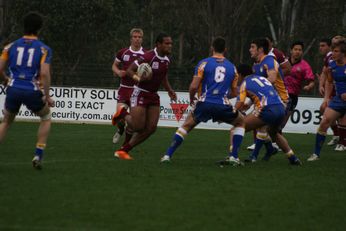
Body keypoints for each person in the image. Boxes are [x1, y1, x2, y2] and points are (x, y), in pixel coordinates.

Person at [160, 37, 245, 166]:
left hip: (205, 103)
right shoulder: (232, 67)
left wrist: (191, 98)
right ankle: (234, 157)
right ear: (225, 50)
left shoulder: (203, 63)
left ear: (212, 48)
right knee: (240, 122)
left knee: (186, 126)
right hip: (222, 104)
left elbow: (194, 86)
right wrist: (222, 96)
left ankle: (167, 155)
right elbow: (234, 92)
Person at [0, 12, 54, 169]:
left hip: (13, 88)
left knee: (7, 122)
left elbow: (0, 68)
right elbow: (44, 73)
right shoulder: (44, 49)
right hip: (31, 89)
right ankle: (38, 154)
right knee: (46, 117)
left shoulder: (10, 46)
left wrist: (5, 80)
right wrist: (47, 96)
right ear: (40, 28)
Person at [112, 33, 177, 160]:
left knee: (151, 128)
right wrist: (139, 78)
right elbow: (130, 70)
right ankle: (122, 114)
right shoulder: (148, 56)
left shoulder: (167, 60)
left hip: (153, 95)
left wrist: (169, 90)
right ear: (158, 45)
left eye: (171, 44)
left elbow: (163, 76)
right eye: (167, 43)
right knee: (138, 127)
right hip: (140, 92)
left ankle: (123, 150)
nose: (170, 46)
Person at [236, 64, 301, 165]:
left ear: (240, 75)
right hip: (280, 108)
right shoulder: (262, 78)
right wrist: (248, 104)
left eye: (236, 75)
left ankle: (238, 156)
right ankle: (293, 157)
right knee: (273, 133)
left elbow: (239, 103)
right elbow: (264, 92)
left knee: (239, 126)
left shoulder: (244, 83)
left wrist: (230, 113)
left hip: (268, 109)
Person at [248, 38, 289, 160]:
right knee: (272, 133)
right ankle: (290, 156)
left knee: (256, 125)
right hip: (267, 101)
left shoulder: (270, 61)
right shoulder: (256, 65)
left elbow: (271, 78)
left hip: (280, 101)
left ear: (260, 49)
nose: (250, 50)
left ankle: (253, 156)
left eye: (252, 47)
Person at [308, 40, 346, 161]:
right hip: (338, 99)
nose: (333, 53)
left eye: (336, 51)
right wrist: (327, 98)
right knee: (324, 121)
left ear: (343, 53)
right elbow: (329, 82)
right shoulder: (332, 65)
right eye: (333, 51)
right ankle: (316, 154)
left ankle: (342, 143)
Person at [111, 28, 146, 144]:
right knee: (120, 117)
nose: (137, 39)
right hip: (124, 89)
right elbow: (114, 66)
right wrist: (118, 72)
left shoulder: (146, 54)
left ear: (142, 39)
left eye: (139, 37)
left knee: (133, 122)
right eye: (135, 37)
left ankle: (125, 146)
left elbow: (149, 71)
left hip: (138, 90)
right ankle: (120, 129)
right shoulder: (123, 52)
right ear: (131, 39)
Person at [281, 41, 315, 128]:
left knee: (281, 124)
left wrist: (309, 86)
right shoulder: (283, 62)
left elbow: (311, 81)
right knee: (273, 120)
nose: (297, 51)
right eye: (295, 49)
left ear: (302, 52)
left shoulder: (305, 66)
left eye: (300, 50)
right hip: (279, 93)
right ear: (291, 50)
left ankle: (273, 140)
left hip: (292, 97)